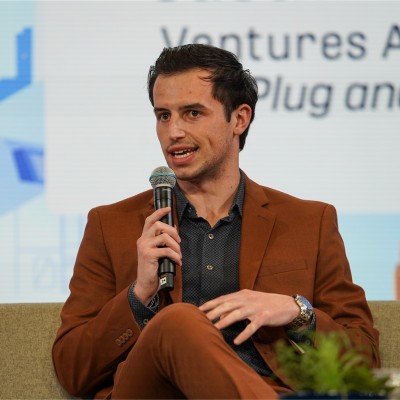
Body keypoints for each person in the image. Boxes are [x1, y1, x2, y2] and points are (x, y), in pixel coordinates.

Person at [52, 44, 380, 399]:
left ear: (239, 119)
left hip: (271, 389)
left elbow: (364, 360)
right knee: (178, 321)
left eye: (192, 113)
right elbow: (73, 369)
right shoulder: (109, 225)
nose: (173, 132)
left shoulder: (309, 222)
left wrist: (296, 312)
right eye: (163, 115)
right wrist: (139, 295)